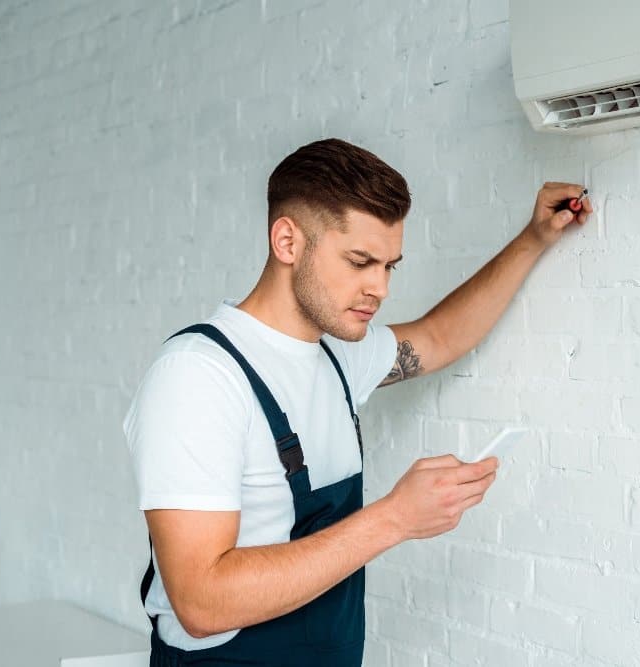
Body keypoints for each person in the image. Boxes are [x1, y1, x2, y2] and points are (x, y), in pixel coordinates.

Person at [123, 138, 593, 666]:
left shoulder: (339, 356)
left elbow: (439, 337)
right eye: (359, 261)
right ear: (287, 241)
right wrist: (395, 517)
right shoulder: (199, 377)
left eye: (389, 265)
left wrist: (533, 240)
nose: (380, 288)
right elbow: (200, 601)